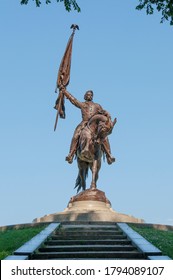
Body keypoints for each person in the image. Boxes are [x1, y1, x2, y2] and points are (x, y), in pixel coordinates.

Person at [58, 88, 115, 164]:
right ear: (85, 96)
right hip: (84, 123)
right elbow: (73, 99)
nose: (90, 96)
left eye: (91, 95)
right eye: (88, 95)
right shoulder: (83, 105)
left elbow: (103, 112)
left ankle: (109, 156)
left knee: (104, 137)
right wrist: (64, 91)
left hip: (95, 125)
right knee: (76, 135)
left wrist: (107, 113)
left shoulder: (97, 106)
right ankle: (71, 154)